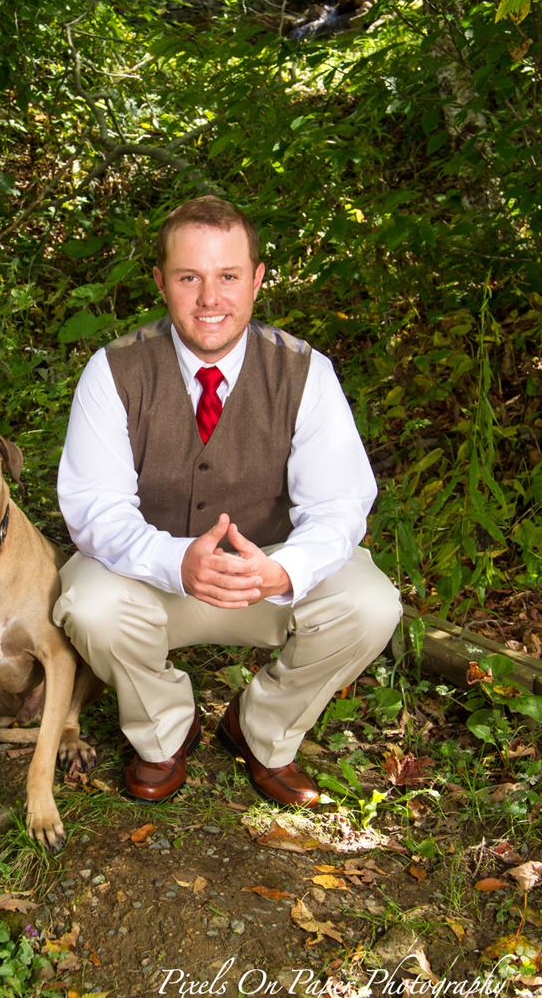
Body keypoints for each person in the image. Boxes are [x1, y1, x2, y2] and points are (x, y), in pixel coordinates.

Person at [54, 196, 401, 806]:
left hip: (266, 578)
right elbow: (94, 508)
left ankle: (261, 731)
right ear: (161, 282)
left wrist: (283, 569)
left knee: (371, 604)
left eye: (228, 277)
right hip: (153, 580)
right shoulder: (113, 371)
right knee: (87, 604)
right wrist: (176, 560)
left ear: (258, 278)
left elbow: (340, 505)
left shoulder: (305, 372)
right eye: (190, 277)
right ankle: (166, 731)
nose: (210, 299)